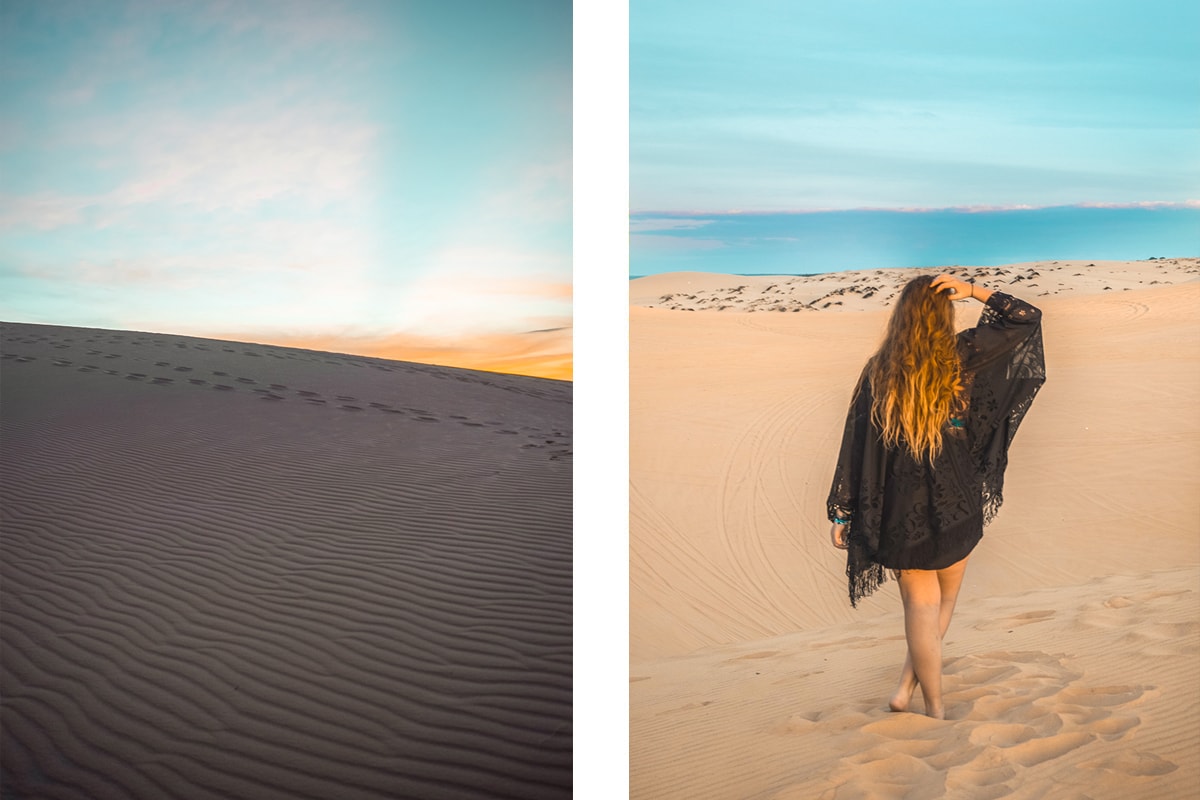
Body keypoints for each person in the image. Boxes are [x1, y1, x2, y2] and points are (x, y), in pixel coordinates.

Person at [825, 273, 1045, 719]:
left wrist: (844, 512)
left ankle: (916, 695)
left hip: (901, 510)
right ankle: (929, 707)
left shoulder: (879, 372)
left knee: (920, 609)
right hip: (956, 500)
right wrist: (973, 290)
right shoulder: (962, 356)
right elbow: (1026, 318)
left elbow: (856, 445)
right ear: (943, 315)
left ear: (901, 318)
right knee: (943, 603)